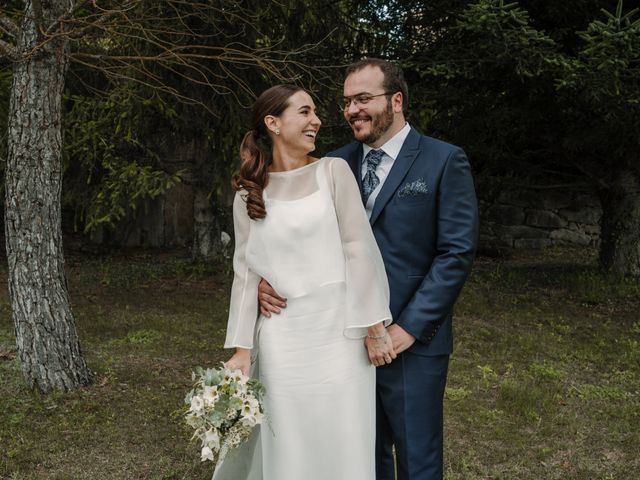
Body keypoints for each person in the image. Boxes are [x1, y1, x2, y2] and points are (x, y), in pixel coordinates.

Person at [258, 59, 479, 480]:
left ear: (396, 101)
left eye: (363, 99)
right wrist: (264, 282)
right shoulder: (330, 165)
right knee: (359, 455)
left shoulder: (444, 160)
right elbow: (293, 235)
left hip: (413, 340)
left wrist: (406, 329)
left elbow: (455, 254)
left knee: (418, 458)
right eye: (346, 102)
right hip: (341, 339)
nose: (351, 110)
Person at [218, 84, 395, 480]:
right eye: (305, 112)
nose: (317, 120)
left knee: (345, 439)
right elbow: (245, 275)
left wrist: (373, 326)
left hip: (340, 338)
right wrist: (242, 350)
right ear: (273, 123)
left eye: (315, 112)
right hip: (283, 341)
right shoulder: (248, 195)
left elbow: (358, 251)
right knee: (289, 443)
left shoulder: (333, 172)